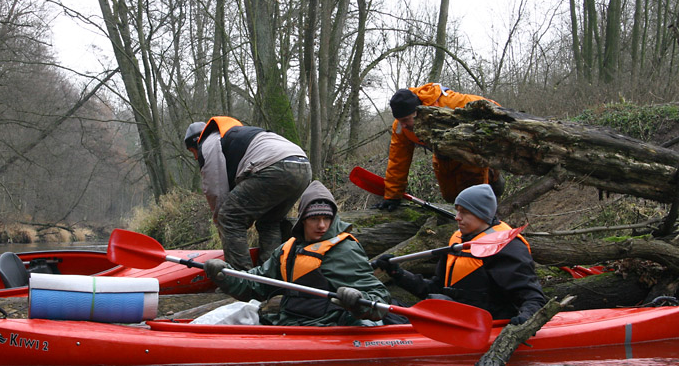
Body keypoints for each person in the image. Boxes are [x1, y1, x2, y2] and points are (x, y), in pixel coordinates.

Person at [203, 180, 391, 326]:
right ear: (303, 221)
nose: (322, 225)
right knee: (239, 311)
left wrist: (358, 300)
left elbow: (379, 296)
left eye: (327, 218)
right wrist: (224, 275)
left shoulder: (344, 249)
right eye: (314, 219)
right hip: (290, 322)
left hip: (329, 325)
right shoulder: (288, 249)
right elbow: (256, 285)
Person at [374, 184, 546, 324]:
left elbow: (532, 297)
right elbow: (435, 288)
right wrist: (398, 274)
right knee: (384, 308)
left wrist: (526, 320)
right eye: (457, 210)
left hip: (484, 324)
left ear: (481, 214)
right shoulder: (458, 241)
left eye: (464, 212)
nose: (457, 217)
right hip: (453, 317)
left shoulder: (506, 246)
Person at [184, 117, 312, 270]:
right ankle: (270, 274)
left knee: (229, 217)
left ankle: (241, 278)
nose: (195, 157)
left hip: (275, 167)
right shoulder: (235, 136)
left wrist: (222, 225)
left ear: (197, 142)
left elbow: (215, 191)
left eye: (192, 152)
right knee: (269, 222)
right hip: (303, 166)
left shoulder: (208, 143)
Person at [375, 83, 504, 211]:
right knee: (450, 196)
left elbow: (494, 108)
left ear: (418, 112)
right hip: (443, 157)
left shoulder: (450, 103)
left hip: (470, 153)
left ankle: (491, 179)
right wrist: (392, 196)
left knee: (474, 198)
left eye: (406, 120)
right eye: (399, 120)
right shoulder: (400, 127)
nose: (403, 125)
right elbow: (397, 161)